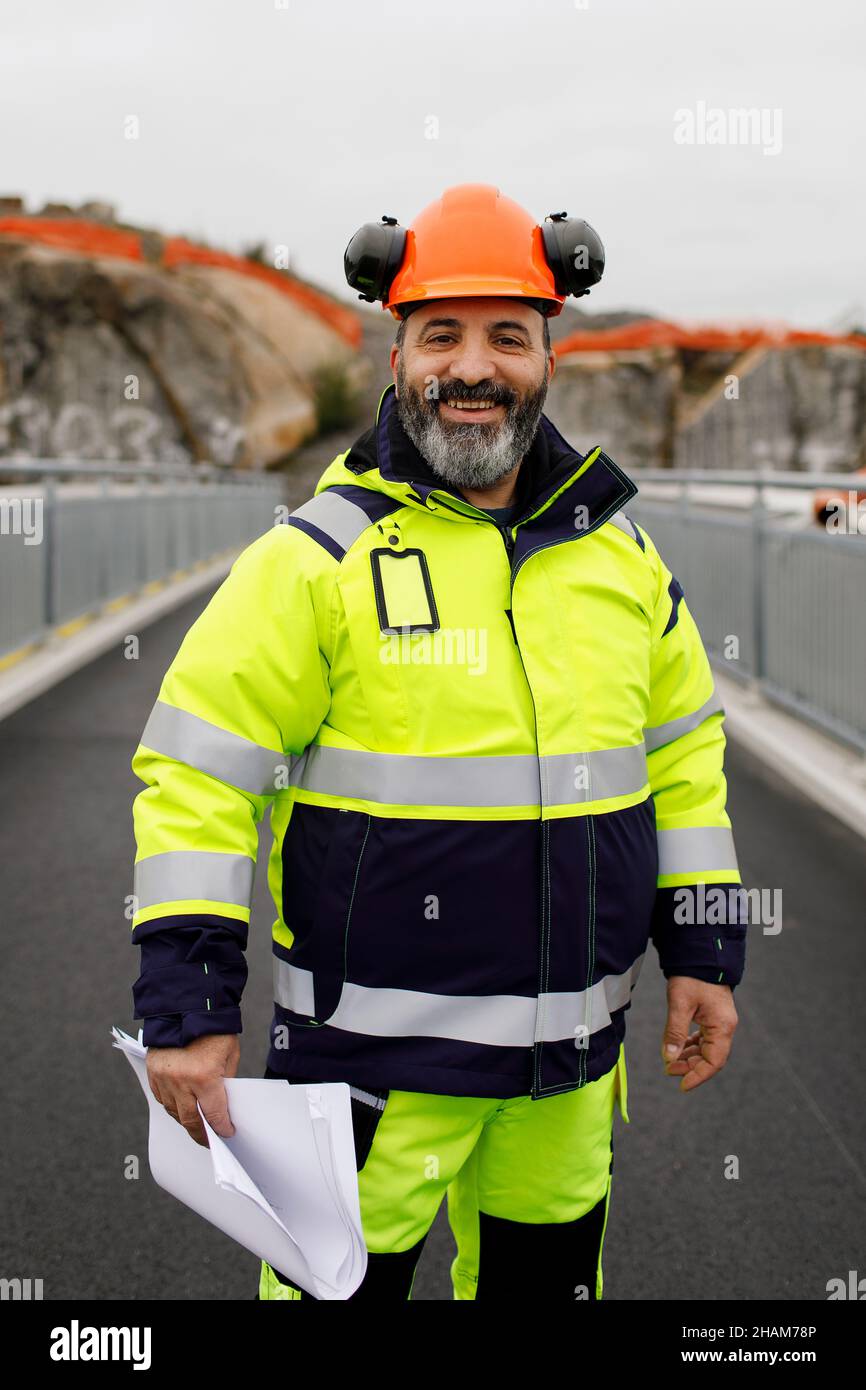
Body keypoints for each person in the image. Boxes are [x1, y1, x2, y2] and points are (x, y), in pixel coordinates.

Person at [129, 184, 747, 1301]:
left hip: (563, 1084)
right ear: (399, 353)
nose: (473, 368)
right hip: (364, 1090)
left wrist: (703, 951)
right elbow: (196, 776)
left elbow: (682, 763)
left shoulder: (621, 560)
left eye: (506, 335)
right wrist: (189, 1006)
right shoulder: (313, 561)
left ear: (548, 355)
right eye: (441, 335)